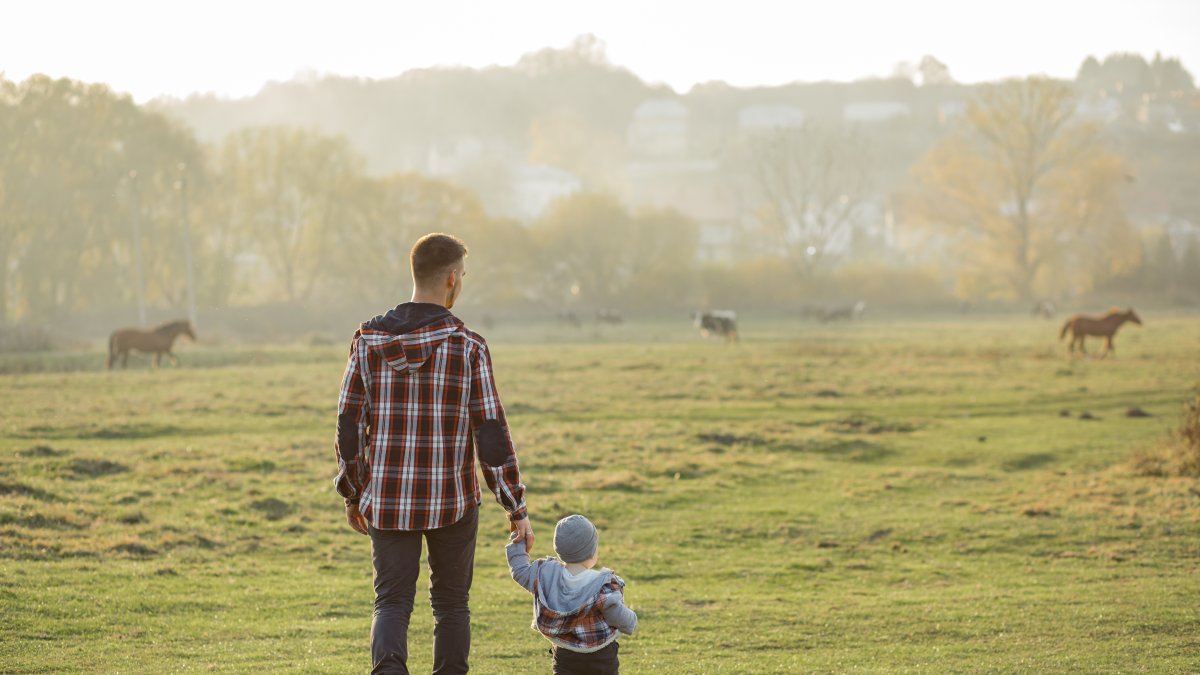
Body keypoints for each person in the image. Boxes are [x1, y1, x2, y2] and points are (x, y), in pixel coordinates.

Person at [333, 232, 535, 674]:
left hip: (385, 499)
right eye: (462, 275)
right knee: (451, 605)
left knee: (391, 602)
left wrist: (353, 492)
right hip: (453, 501)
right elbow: (491, 434)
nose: (461, 282)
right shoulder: (469, 347)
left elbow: (349, 426)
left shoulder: (366, 342)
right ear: (450, 278)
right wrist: (515, 506)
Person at [506, 514, 637, 674]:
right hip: (601, 656)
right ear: (591, 551)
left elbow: (519, 570)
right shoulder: (602, 584)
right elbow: (615, 613)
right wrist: (631, 621)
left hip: (565, 655)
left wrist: (518, 538)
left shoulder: (545, 576)